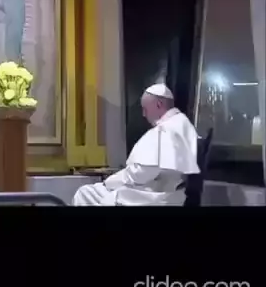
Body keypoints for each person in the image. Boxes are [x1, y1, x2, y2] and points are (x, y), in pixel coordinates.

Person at [72, 84, 200, 206]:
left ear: (159, 105)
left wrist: (110, 181)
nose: (144, 114)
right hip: (170, 194)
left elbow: (140, 174)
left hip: (154, 197)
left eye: (145, 109)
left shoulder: (165, 131)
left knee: (85, 193)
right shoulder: (183, 124)